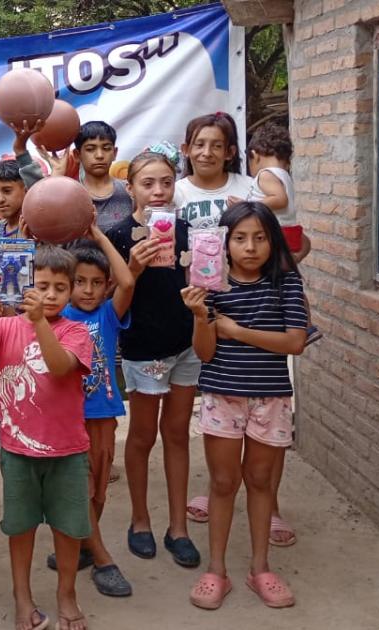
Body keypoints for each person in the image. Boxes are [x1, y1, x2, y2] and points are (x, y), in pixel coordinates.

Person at [0, 246, 93, 630]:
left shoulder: (76, 331)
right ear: (23, 284)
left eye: (60, 288)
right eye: (41, 286)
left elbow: (59, 366)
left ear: (70, 291)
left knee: (69, 529)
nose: (50, 295)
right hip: (17, 450)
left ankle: (67, 594)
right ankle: (23, 597)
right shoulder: (3, 327)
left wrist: (39, 322)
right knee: (21, 527)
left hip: (68, 450)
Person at [182, 202, 307, 610]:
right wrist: (201, 315)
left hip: (270, 397)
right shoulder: (211, 284)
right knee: (222, 483)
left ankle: (260, 568)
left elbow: (295, 342)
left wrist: (236, 331)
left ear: (273, 242)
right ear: (224, 242)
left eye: (260, 238)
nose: (250, 247)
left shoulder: (286, 282)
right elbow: (204, 353)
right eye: (239, 238)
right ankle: (216, 570)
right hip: (222, 395)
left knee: (260, 480)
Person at [104, 152, 201, 568]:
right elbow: (112, 306)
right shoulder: (118, 235)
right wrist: (133, 268)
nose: (159, 191)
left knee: (177, 434)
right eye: (148, 183)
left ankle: (178, 527)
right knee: (142, 436)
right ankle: (140, 520)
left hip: (186, 346)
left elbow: (201, 282)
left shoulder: (188, 231)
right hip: (144, 349)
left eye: (166, 182)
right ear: (130, 189)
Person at [54, 231, 152, 598]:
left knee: (97, 491)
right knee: (81, 489)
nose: (88, 290)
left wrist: (96, 234)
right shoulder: (57, 317)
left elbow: (127, 281)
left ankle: (81, 542)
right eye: (79, 281)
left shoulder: (108, 314)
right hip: (69, 419)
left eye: (97, 283)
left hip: (103, 416)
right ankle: (102, 558)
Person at [173, 112, 254, 229]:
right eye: (199, 145)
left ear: (229, 152)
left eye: (217, 146)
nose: (207, 153)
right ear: (186, 150)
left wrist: (249, 212)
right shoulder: (174, 192)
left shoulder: (251, 188)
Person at [243, 124, 310, 263]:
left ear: (254, 156)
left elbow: (280, 199)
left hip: (274, 233)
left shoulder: (265, 174)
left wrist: (247, 206)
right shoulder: (284, 176)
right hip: (288, 233)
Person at [73, 122, 133, 231]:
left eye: (106, 148)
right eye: (90, 149)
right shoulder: (69, 195)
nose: (99, 155)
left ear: (114, 153)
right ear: (77, 155)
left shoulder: (130, 192)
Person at [0, 159, 29, 239]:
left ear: (25, 191)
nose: (0, 199)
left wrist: (27, 242)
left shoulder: (34, 226)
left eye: (7, 191)